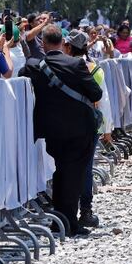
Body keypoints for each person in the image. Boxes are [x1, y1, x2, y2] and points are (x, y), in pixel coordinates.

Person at [19, 24, 103, 236]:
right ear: (62, 42)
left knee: (60, 171)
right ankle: (69, 223)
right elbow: (95, 93)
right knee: (73, 175)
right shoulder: (76, 64)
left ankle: (59, 220)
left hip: (53, 131)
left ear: (43, 43)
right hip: (79, 129)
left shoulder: (34, 66)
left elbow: (21, 75)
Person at [65, 29, 113, 229]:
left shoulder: (62, 67)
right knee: (86, 169)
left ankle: (66, 210)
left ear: (68, 47)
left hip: (66, 123)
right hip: (89, 125)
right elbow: (104, 101)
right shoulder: (95, 69)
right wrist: (108, 129)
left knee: (66, 167)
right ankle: (86, 210)